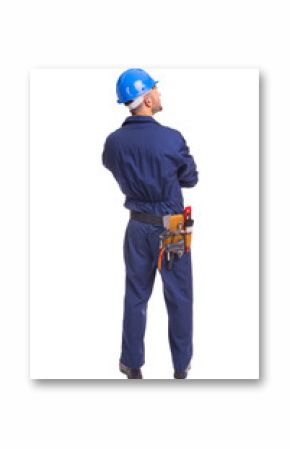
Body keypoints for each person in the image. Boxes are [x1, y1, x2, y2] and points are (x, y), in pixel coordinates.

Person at [102, 68, 199, 379]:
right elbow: (191, 178)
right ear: (145, 98)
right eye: (155, 89)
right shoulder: (171, 139)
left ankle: (131, 364)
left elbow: (109, 164)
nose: (159, 94)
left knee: (136, 294)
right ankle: (181, 366)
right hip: (171, 226)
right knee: (179, 296)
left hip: (137, 226)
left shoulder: (114, 142)